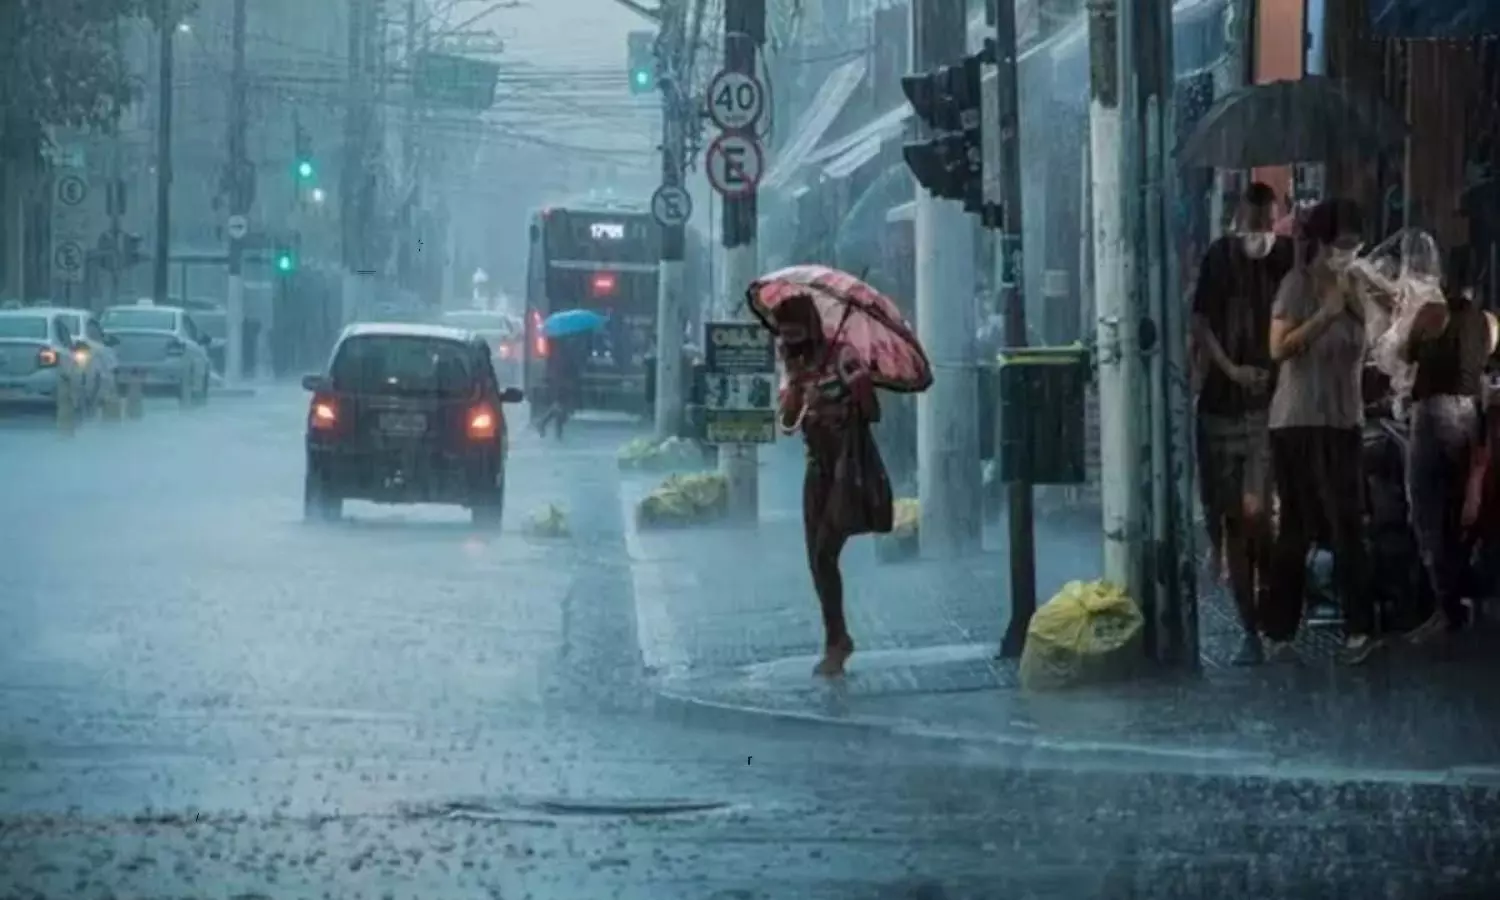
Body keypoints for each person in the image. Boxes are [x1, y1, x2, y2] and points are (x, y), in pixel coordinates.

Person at [1265, 198, 1380, 665]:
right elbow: (1278, 349)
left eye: (1356, 244)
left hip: (1344, 419)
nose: (1349, 252)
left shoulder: (1357, 286)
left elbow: (1380, 340)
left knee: (1349, 524)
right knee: (1298, 525)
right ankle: (1279, 630)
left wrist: (1363, 302)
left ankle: (1359, 630)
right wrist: (1324, 315)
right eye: (1343, 243)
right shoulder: (1298, 285)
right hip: (1299, 420)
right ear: (1323, 243)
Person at [1190, 182, 1295, 665]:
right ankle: (1249, 627)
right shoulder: (1218, 258)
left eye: (1268, 223)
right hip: (1221, 404)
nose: (1262, 232)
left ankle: (1274, 604)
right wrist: (1232, 369)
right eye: (1254, 223)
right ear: (1239, 217)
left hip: (1269, 408)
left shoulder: (1290, 257)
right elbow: (1202, 323)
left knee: (1258, 514)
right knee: (1232, 519)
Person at [774, 293, 892, 678]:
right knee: (818, 560)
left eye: (795, 335)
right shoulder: (793, 365)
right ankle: (836, 636)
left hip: (846, 463)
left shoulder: (842, 355)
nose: (789, 344)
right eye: (784, 337)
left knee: (826, 549)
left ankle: (837, 642)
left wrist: (848, 393)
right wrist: (795, 394)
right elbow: (788, 423)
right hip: (817, 467)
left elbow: (872, 411)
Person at [1402, 246, 1494, 641]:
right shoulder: (1488, 321)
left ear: (1442, 281)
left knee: (1427, 510)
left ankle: (1444, 609)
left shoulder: (1430, 314)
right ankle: (1460, 599)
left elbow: (1405, 354)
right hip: (1470, 415)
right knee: (1462, 511)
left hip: (1434, 414)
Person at [536, 332, 587, 439]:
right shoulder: (566, 349)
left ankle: (553, 428)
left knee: (561, 405)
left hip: (562, 379)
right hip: (563, 380)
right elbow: (568, 365)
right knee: (562, 406)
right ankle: (546, 424)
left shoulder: (561, 346)